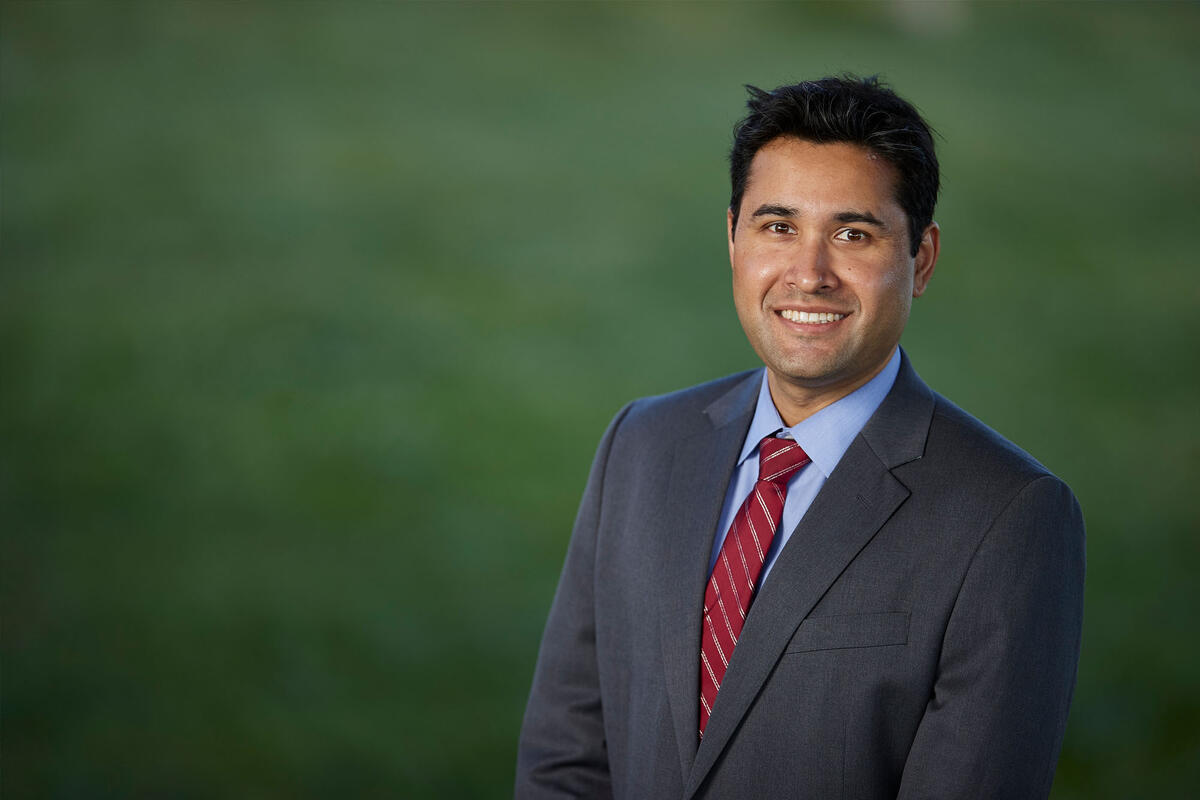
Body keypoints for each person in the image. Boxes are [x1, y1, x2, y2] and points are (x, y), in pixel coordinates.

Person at [515, 76, 1085, 799]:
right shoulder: (641, 446)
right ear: (733, 237)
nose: (809, 275)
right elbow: (564, 760)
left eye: (853, 234)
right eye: (778, 226)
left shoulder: (1009, 518)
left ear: (922, 259)